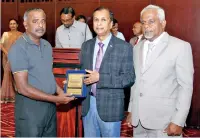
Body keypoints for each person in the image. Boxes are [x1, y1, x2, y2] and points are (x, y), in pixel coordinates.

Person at [126, 5, 194, 137]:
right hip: (138, 120)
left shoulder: (180, 47)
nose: (146, 26)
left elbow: (185, 87)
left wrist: (178, 120)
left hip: (164, 122)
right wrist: (131, 110)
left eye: (151, 21)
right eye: (143, 22)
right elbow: (136, 83)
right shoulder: (136, 48)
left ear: (163, 23)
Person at [8, 8, 75, 137]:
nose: (40, 25)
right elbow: (23, 88)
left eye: (43, 21)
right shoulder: (19, 48)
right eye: (35, 21)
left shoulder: (47, 46)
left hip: (49, 108)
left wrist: (61, 92)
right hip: (30, 109)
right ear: (26, 24)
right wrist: (56, 99)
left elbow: (47, 76)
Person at [80, 7, 135, 137]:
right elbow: (83, 72)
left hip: (111, 107)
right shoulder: (86, 46)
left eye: (103, 20)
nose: (99, 24)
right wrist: (74, 81)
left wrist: (100, 78)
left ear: (111, 24)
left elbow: (129, 78)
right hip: (88, 105)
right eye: (96, 20)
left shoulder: (124, 47)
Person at [0, 19, 22, 103]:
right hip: (6, 57)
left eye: (14, 24)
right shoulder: (5, 34)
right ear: (9, 25)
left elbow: (22, 47)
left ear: (17, 25)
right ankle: (6, 96)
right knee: (7, 75)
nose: (12, 25)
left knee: (16, 76)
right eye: (11, 24)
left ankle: (17, 94)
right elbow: (1, 45)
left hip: (17, 58)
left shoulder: (21, 35)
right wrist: (7, 53)